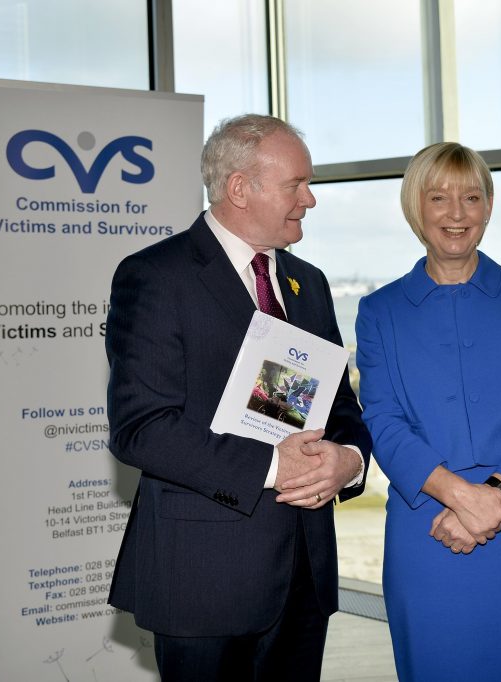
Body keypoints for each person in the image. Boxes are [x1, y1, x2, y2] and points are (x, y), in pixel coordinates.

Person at [105, 114, 372, 681]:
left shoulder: (310, 283)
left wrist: (348, 461)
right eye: (296, 184)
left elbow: (340, 406)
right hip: (204, 580)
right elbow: (142, 428)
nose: (311, 199)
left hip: (304, 575)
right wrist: (276, 466)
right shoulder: (155, 277)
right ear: (239, 189)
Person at [355, 142, 501, 681]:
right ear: (415, 208)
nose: (457, 214)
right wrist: (461, 497)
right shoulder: (379, 311)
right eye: (439, 198)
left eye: (471, 197)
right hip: (427, 525)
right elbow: (382, 419)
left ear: (489, 207)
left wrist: (494, 495)